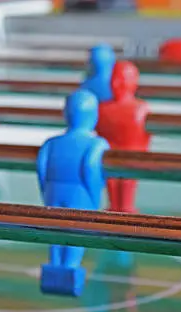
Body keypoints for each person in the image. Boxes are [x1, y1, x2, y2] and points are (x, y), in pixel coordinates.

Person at [37, 90, 109, 296]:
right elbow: (90, 168)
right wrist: (94, 198)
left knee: (54, 233)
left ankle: (53, 268)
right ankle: (69, 271)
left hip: (53, 190)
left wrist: (46, 192)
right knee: (76, 233)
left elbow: (41, 168)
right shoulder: (97, 144)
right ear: (94, 116)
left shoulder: (51, 143)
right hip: (80, 194)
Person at [96, 61, 150, 214]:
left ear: (134, 82)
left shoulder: (140, 108)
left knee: (126, 198)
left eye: (121, 79)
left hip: (131, 159)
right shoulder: (102, 109)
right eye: (113, 79)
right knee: (113, 198)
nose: (116, 83)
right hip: (110, 159)